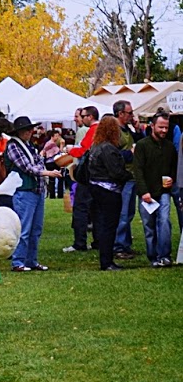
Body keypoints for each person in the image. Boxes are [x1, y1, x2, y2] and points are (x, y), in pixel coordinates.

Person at [4, 116, 51, 273]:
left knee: (36, 229)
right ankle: (18, 261)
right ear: (19, 132)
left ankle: (31, 260)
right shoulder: (13, 146)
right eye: (27, 130)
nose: (31, 132)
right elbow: (27, 167)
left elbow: (37, 162)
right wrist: (46, 172)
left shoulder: (28, 145)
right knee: (23, 228)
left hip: (36, 190)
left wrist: (42, 170)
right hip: (24, 191)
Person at [131, 111, 175, 266]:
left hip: (163, 192)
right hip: (146, 193)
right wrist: (144, 192)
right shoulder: (142, 145)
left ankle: (165, 255)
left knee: (164, 221)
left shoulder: (169, 147)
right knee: (149, 226)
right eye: (161, 127)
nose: (164, 130)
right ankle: (153, 257)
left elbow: (173, 168)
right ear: (152, 126)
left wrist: (172, 179)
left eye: (166, 127)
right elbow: (138, 170)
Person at [87, 115, 130, 272]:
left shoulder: (95, 146)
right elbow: (116, 172)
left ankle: (106, 260)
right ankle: (107, 262)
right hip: (109, 190)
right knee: (109, 226)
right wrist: (129, 176)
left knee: (104, 225)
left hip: (96, 187)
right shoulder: (108, 148)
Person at [63, 105, 100, 253]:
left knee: (80, 208)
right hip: (98, 176)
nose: (80, 119)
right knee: (96, 209)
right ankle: (97, 240)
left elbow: (83, 150)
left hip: (87, 175)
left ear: (90, 117)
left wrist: (70, 150)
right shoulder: (101, 130)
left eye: (82, 116)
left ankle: (80, 242)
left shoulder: (92, 130)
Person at [110, 100, 139, 257]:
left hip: (131, 175)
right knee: (123, 212)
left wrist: (137, 127)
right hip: (122, 177)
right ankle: (118, 246)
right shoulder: (115, 131)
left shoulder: (127, 129)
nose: (132, 116)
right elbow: (111, 154)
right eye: (129, 113)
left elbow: (139, 142)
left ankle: (125, 244)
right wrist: (130, 154)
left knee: (129, 213)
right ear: (120, 114)